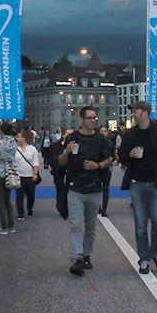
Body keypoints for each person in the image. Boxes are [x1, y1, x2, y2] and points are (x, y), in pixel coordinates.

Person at [119, 101, 157, 274]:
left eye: (136, 112)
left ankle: (156, 253)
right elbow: (121, 155)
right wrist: (129, 155)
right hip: (137, 183)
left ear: (145, 113)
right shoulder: (130, 134)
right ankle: (144, 259)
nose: (133, 114)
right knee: (140, 224)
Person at [59, 107, 114, 275]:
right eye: (89, 118)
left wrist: (97, 166)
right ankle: (76, 258)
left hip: (94, 187)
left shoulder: (101, 139)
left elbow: (110, 159)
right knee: (76, 224)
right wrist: (66, 152)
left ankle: (86, 254)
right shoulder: (73, 138)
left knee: (90, 226)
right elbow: (61, 162)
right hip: (75, 187)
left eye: (94, 118)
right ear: (81, 119)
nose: (92, 121)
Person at [13, 128, 42, 217]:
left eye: (19, 137)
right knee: (19, 195)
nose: (17, 139)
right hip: (19, 175)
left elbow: (35, 162)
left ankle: (30, 207)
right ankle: (20, 213)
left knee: (31, 195)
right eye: (16, 137)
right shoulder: (14, 149)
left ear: (24, 138)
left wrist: (35, 173)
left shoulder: (32, 149)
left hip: (30, 175)